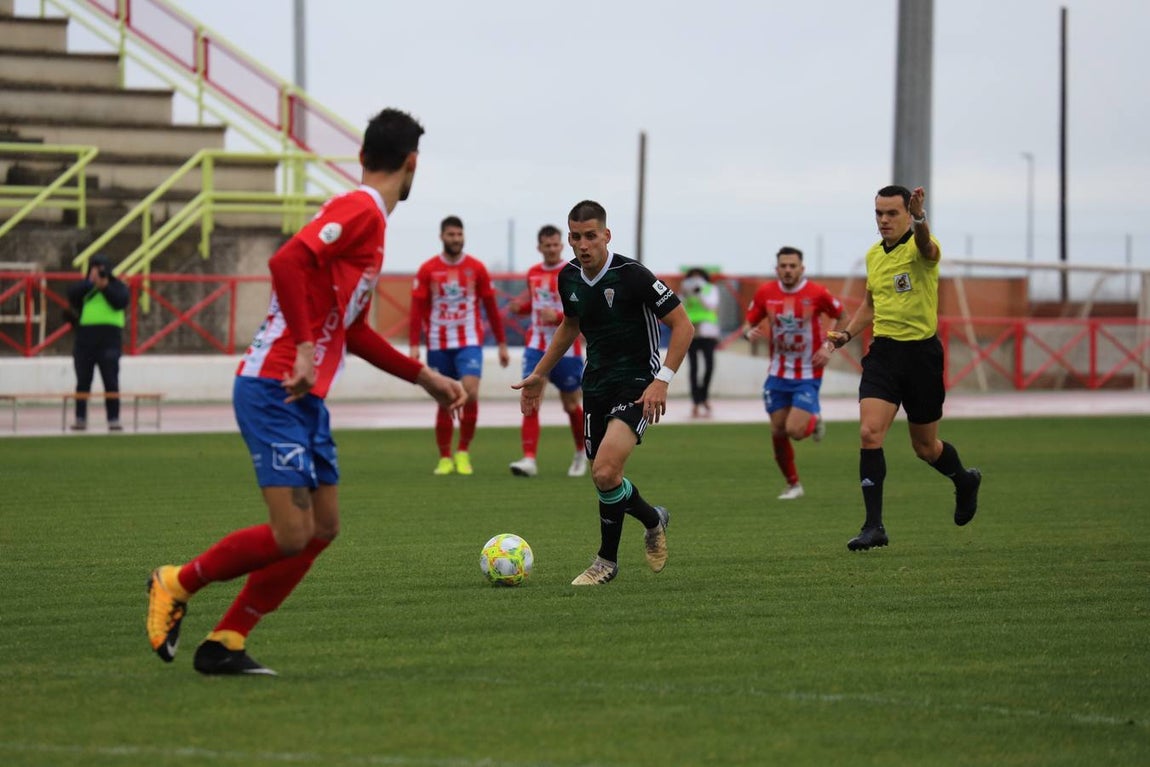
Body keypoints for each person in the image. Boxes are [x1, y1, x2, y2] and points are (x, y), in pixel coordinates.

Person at [145, 108, 467, 676]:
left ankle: (227, 640)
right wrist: (300, 346)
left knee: (322, 529)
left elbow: (354, 330)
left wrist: (426, 378)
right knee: (291, 533)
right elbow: (286, 259)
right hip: (272, 386)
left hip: (301, 396)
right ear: (412, 163)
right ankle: (176, 581)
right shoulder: (361, 210)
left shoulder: (371, 224)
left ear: (364, 154)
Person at [513, 200, 694, 585]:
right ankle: (652, 518)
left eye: (591, 236)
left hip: (638, 383)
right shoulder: (569, 278)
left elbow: (683, 326)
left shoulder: (633, 276)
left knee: (606, 469)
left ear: (606, 236)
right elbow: (570, 326)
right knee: (604, 478)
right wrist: (539, 374)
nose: (583, 245)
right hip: (595, 382)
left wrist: (661, 380)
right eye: (575, 237)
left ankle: (605, 563)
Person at [826, 185, 982, 551]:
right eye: (879, 213)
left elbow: (927, 247)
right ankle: (873, 526)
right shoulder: (873, 256)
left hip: (922, 357)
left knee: (926, 448)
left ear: (907, 214)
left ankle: (964, 480)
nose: (883, 220)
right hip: (883, 355)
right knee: (869, 432)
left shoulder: (922, 248)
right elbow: (870, 303)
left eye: (892, 213)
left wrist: (921, 220)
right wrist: (847, 334)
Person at [409, 216, 510, 476]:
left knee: (471, 392)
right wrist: (413, 345)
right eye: (451, 235)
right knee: (444, 398)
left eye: (459, 234)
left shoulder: (476, 268)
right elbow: (417, 309)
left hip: (469, 341)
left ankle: (463, 451)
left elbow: (491, 307)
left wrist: (501, 343)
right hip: (437, 342)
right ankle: (445, 457)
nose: (455, 239)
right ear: (442, 237)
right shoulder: (428, 269)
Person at [743, 247, 845, 500]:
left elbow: (842, 316)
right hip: (777, 373)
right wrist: (748, 333)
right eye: (783, 266)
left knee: (795, 431)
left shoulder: (817, 293)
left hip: (808, 371)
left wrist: (828, 345)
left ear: (802, 268)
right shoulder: (766, 292)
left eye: (792, 266)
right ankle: (793, 485)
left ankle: (814, 418)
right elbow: (749, 322)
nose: (788, 270)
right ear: (776, 268)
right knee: (778, 430)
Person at [506, 224, 588, 478]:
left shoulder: (573, 271)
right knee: (531, 398)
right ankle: (529, 458)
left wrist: (558, 316)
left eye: (555, 244)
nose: (551, 249)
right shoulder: (533, 273)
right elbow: (534, 302)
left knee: (571, 404)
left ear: (562, 245)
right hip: (536, 346)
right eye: (547, 245)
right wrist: (520, 307)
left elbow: (585, 309)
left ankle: (580, 453)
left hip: (568, 349)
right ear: (539, 247)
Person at [65, 254, 129, 431]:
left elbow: (120, 302)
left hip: (109, 339)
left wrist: (105, 286)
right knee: (83, 381)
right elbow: (72, 295)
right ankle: (80, 418)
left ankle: (114, 418)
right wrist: (91, 283)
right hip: (85, 339)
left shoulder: (118, 287)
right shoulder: (85, 288)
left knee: (111, 381)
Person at [680, 267, 721, 418]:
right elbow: (680, 307)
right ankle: (696, 401)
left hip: (708, 332)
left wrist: (700, 293)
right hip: (691, 332)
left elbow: (711, 305)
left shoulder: (711, 289)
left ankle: (704, 396)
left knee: (709, 366)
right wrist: (687, 294)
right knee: (693, 368)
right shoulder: (685, 290)